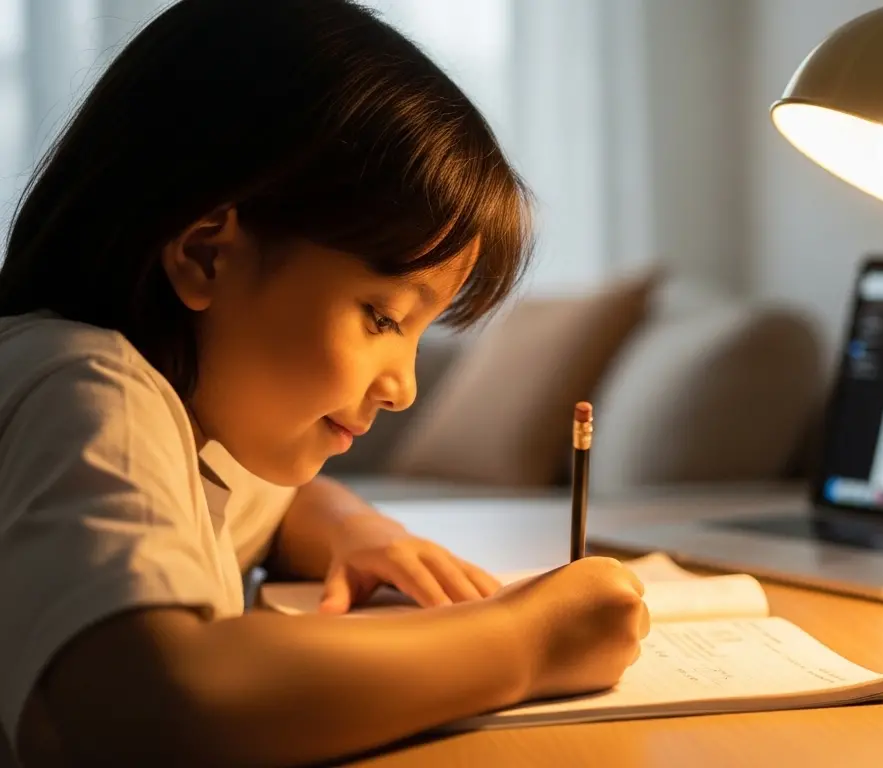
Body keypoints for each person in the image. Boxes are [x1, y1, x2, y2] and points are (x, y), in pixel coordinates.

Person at [0, 1, 650, 765]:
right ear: (208, 254)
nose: (403, 387)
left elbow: (272, 510)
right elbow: (161, 703)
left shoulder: (172, 421)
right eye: (382, 316)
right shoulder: (88, 389)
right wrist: (526, 643)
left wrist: (358, 533)